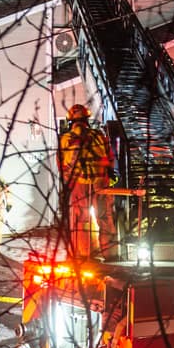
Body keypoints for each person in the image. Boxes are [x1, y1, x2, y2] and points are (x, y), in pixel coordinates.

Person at [57, 104, 115, 259]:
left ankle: (81, 255)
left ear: (71, 121)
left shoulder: (66, 139)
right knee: (104, 217)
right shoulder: (99, 136)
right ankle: (110, 254)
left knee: (80, 219)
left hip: (78, 184)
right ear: (87, 120)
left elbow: (61, 165)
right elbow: (110, 158)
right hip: (100, 183)